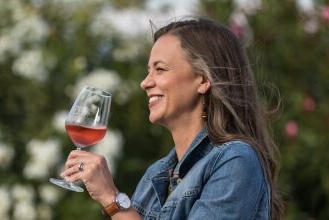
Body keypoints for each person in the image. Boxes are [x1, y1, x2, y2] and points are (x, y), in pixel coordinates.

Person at [61, 17, 283, 219]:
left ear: (203, 80)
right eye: (149, 70)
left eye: (160, 69)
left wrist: (111, 198)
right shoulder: (155, 175)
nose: (145, 82)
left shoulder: (236, 161)